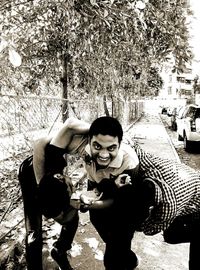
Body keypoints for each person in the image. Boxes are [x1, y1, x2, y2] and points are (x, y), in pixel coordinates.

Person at [33, 116, 140, 270]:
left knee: (115, 249)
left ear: (120, 144)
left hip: (122, 201)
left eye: (111, 148)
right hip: (96, 188)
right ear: (89, 140)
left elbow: (117, 202)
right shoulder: (83, 143)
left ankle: (123, 256)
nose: (103, 155)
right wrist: (45, 186)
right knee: (101, 227)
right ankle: (125, 256)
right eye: (97, 146)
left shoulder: (129, 163)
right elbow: (43, 143)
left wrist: (89, 204)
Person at [19, 118, 89, 270]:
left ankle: (60, 250)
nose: (81, 153)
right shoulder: (53, 143)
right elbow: (39, 145)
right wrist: (44, 188)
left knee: (72, 216)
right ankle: (34, 266)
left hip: (52, 181)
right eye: (82, 147)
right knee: (34, 227)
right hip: (34, 175)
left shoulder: (64, 147)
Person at [123, 139, 200, 270]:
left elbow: (149, 229)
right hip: (191, 184)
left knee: (171, 236)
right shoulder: (147, 165)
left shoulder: (168, 207)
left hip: (195, 205)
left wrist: (132, 224)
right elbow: (133, 146)